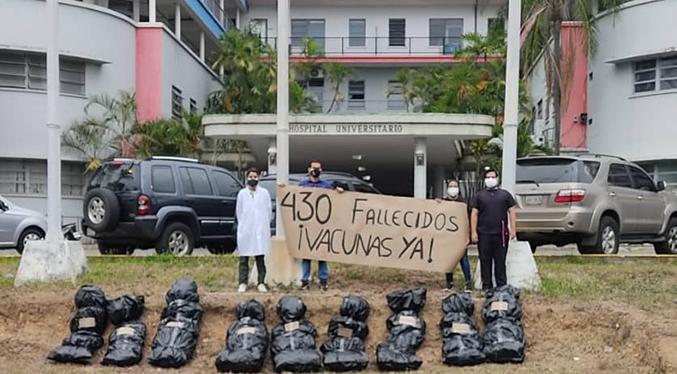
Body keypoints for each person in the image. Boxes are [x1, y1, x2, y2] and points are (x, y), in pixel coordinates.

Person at [297, 160, 344, 291]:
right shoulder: (302, 185)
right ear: (309, 170)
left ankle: (323, 280)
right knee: (306, 253)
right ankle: (305, 281)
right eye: (313, 168)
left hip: (322, 225)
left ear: (321, 171)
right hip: (308, 224)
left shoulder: (326, 186)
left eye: (318, 168)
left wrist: (338, 191)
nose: (315, 170)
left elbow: (334, 199)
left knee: (321, 253)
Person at [471, 169, 517, 292]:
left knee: (500, 261)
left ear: (497, 178)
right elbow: (474, 214)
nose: (490, 179)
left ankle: (501, 287)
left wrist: (513, 229)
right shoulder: (479, 196)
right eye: (488, 177)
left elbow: (512, 211)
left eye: (492, 177)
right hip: (484, 234)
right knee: (485, 261)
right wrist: (473, 232)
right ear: (485, 180)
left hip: (501, 234)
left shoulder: (505, 195)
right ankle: (487, 287)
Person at [236, 168, 272, 293]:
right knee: (244, 258)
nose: (253, 179)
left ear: (259, 178)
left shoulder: (264, 193)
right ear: (247, 178)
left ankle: (261, 282)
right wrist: (245, 225)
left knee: (260, 258)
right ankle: (242, 282)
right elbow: (239, 212)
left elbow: (268, 211)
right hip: (246, 230)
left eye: (255, 177)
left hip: (260, 230)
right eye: (250, 177)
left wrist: (262, 226)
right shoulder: (242, 194)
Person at [436, 179, 472, 292]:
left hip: (460, 236)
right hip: (448, 237)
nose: (453, 188)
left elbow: (469, 220)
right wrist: (436, 204)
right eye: (451, 186)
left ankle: (468, 283)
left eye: (455, 186)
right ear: (447, 189)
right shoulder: (444, 202)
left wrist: (468, 236)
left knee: (464, 259)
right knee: (449, 259)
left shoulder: (464, 203)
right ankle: (449, 283)